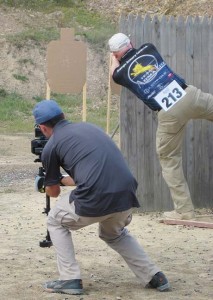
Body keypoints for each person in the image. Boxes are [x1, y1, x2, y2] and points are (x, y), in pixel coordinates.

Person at [32, 99, 170, 295]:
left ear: (43, 128)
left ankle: (69, 278)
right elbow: (91, 173)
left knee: (55, 220)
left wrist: (45, 182)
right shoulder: (90, 128)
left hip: (96, 197)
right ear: (63, 116)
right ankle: (155, 275)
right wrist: (61, 180)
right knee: (114, 234)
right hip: (126, 193)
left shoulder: (51, 146)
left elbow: (53, 193)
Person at [108, 32, 213, 221]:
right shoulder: (149, 48)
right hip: (188, 94)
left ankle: (184, 211)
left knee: (169, 158)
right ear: (131, 43)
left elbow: (113, 72)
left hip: (169, 111)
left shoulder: (120, 73)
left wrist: (113, 58)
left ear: (115, 55)